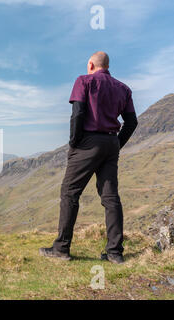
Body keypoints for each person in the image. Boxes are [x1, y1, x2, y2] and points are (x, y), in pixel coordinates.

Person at [39, 51, 138, 264]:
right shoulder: (124, 89)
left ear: (91, 64)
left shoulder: (84, 81)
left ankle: (61, 248)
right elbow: (131, 122)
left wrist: (74, 142)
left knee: (69, 193)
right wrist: (117, 144)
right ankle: (114, 253)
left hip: (88, 143)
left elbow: (77, 113)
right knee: (111, 197)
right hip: (111, 143)